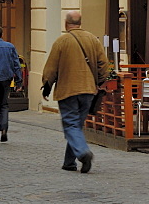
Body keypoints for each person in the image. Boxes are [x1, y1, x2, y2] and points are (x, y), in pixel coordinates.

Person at [41, 10, 109, 174]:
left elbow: (51, 67)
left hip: (68, 90)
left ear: (66, 24)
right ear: (80, 23)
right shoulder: (93, 39)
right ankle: (69, 162)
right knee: (76, 125)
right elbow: (103, 65)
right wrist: (99, 82)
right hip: (88, 90)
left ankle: (83, 153)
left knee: (71, 124)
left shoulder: (61, 41)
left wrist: (47, 85)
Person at [0, 25, 23, 144]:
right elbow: (16, 64)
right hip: (6, 78)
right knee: (4, 105)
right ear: (2, 34)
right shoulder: (10, 47)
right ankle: (4, 129)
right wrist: (19, 81)